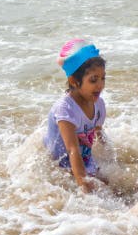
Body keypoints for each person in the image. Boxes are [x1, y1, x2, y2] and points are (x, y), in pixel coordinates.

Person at [43, 40, 107, 193]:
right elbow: (73, 150)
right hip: (61, 164)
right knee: (99, 191)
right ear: (74, 81)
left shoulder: (98, 104)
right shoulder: (65, 109)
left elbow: (99, 133)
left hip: (83, 159)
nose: (100, 85)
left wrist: (110, 159)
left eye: (103, 78)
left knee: (113, 183)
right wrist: (84, 187)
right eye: (93, 80)